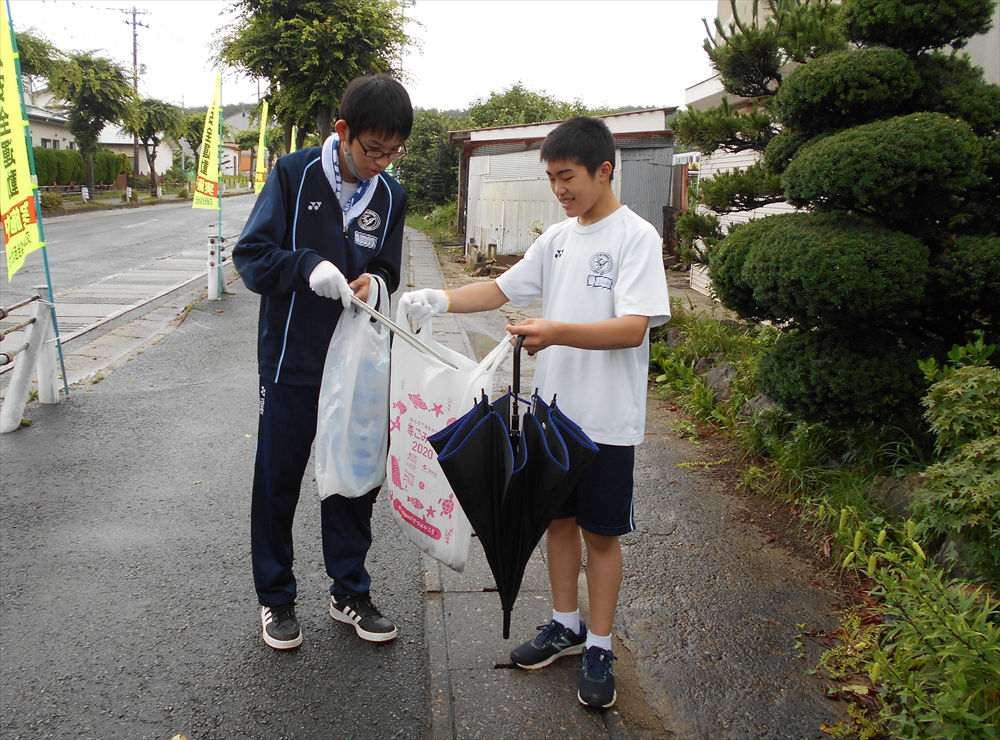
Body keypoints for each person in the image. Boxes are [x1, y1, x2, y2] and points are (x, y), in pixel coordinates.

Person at [400, 116, 670, 709]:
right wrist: (438, 298)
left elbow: (631, 329)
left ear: (604, 169)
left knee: (602, 533)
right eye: (551, 178)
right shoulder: (558, 239)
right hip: (552, 416)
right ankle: (565, 624)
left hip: (605, 422)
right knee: (557, 524)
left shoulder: (636, 237)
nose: (559, 189)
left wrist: (555, 331)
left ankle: (599, 644)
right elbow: (499, 291)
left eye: (567, 176)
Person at [233, 74, 412, 650]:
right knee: (278, 479)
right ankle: (276, 598)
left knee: (354, 478)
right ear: (343, 132)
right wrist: (307, 266)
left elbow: (388, 268)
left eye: (393, 151)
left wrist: (374, 282)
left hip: (357, 363)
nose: (382, 163)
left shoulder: (391, 196)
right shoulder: (293, 174)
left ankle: (349, 590)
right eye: (372, 149)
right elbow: (252, 257)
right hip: (292, 359)